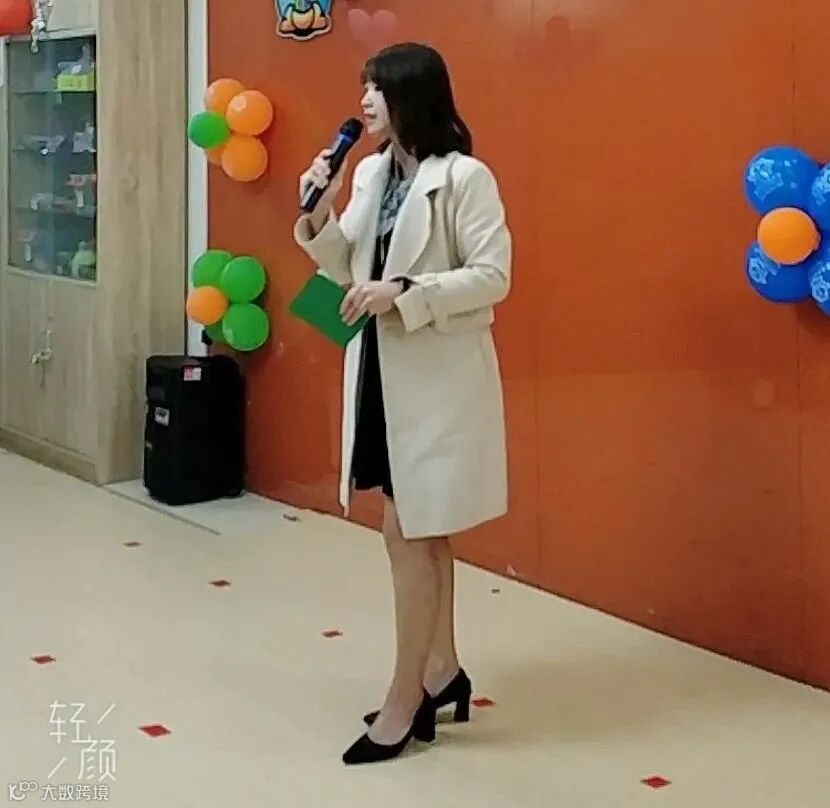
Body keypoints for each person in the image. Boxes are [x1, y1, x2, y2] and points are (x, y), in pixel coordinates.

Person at [294, 42, 512, 765]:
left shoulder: (465, 178)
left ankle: (405, 697)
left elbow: (493, 276)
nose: (364, 102)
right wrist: (320, 208)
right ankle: (442, 671)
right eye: (364, 88)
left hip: (437, 378)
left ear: (412, 96)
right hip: (380, 372)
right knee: (416, 528)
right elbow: (346, 265)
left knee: (412, 529)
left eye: (377, 89)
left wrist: (407, 293)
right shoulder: (367, 171)